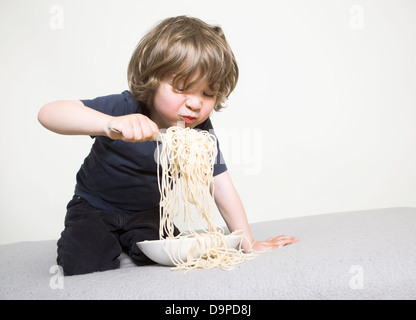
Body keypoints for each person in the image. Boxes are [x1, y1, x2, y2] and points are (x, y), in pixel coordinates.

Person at [38, 16, 298, 276]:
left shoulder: (199, 132)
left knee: (175, 256)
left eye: (208, 93)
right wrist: (109, 124)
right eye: (182, 88)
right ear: (152, 79)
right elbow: (49, 113)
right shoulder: (126, 108)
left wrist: (248, 243)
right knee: (83, 265)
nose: (196, 104)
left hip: (148, 213)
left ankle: (128, 241)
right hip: (94, 205)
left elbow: (220, 184)